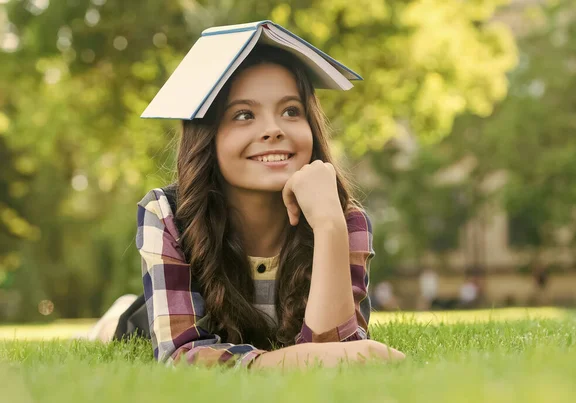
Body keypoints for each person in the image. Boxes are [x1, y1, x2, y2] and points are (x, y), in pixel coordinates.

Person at [88, 38, 405, 369]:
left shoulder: (345, 219)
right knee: (121, 323)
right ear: (208, 135)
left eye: (291, 111)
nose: (273, 129)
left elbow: (336, 352)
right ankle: (115, 315)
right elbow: (181, 357)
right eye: (243, 114)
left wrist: (328, 226)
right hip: (145, 320)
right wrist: (276, 364)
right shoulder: (168, 214)